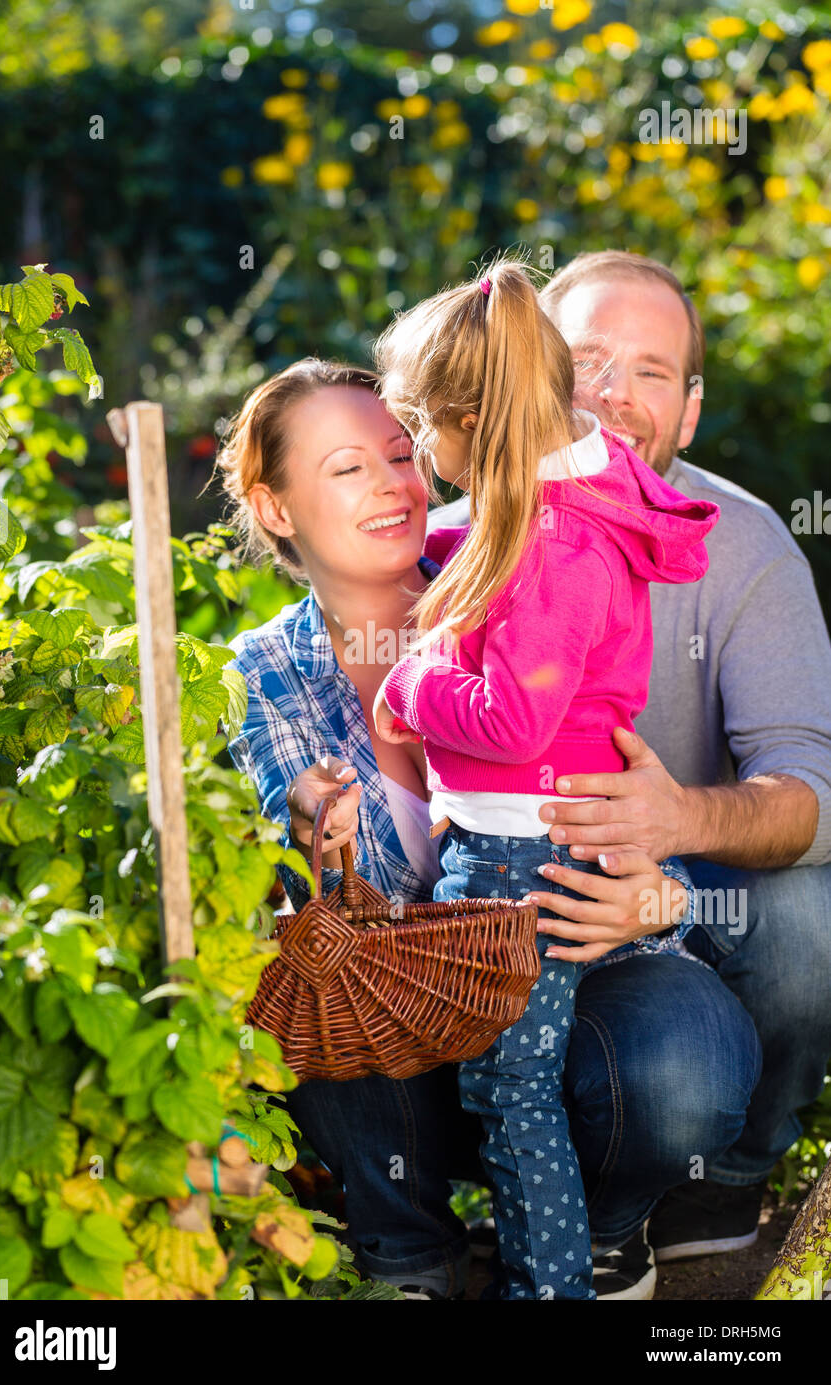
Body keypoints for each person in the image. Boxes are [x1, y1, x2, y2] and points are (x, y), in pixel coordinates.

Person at [221, 355, 758, 1302]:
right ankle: (409, 1250)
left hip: (558, 1022)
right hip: (407, 1063)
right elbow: (291, 890)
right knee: (316, 969)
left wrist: (653, 896)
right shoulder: (263, 675)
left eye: (401, 453)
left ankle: (596, 1230)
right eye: (348, 469)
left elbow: (623, 798)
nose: (394, 487)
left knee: (688, 1045)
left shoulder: (517, 577)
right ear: (273, 506)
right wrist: (305, 831)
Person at [433, 249, 831, 1279]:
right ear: (525, 365)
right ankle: (527, 1210)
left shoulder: (741, 547)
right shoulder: (451, 535)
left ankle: (714, 1183)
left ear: (689, 410)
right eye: (586, 358)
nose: (611, 394)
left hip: (667, 908)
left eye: (650, 371)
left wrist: (669, 848)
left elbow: (814, 795)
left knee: (795, 924)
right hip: (490, 902)